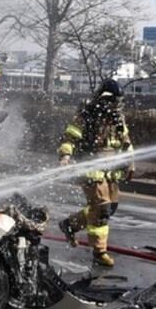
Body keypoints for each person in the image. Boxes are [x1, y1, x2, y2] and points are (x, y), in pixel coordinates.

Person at [57, 79, 135, 268]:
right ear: (105, 99)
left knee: (110, 208)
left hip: (111, 171)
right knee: (101, 210)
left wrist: (130, 163)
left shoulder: (118, 119)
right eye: (114, 101)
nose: (116, 105)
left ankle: (70, 224)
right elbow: (70, 137)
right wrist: (66, 155)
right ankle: (99, 253)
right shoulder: (86, 116)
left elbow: (126, 143)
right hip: (91, 168)